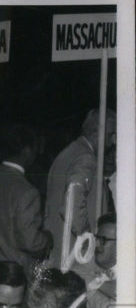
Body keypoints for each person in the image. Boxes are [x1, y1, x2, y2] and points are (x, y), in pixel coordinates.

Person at [0, 124, 53, 283]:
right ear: (27, 151)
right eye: (36, 149)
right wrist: (47, 239)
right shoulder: (27, 191)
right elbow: (30, 242)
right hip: (10, 279)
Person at [44, 109, 118, 259]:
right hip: (76, 254)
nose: (113, 142)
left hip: (61, 248)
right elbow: (72, 202)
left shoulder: (67, 154)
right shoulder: (86, 157)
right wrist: (89, 240)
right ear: (95, 132)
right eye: (111, 135)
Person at [85, 213, 117, 308]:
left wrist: (83, 282)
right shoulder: (88, 264)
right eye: (97, 238)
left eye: (103, 240)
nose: (97, 244)